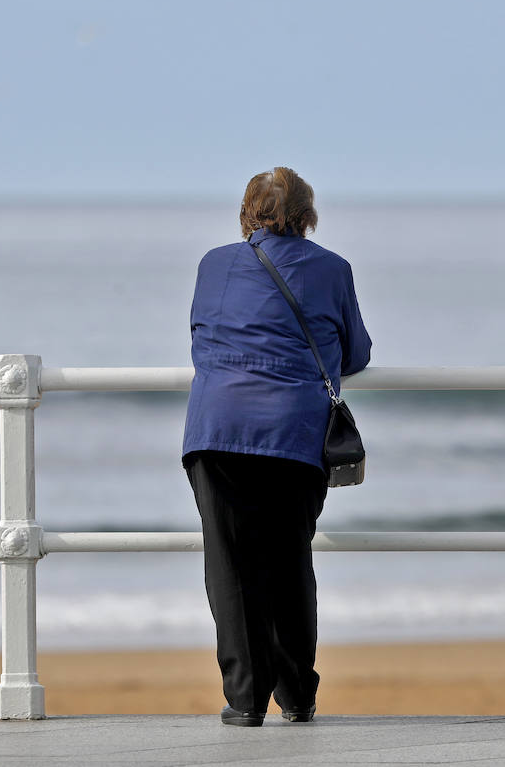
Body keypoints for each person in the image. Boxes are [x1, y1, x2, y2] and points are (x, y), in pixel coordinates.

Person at [181, 167, 372, 727]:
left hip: (216, 431)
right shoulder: (333, 269)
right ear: (308, 215)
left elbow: (200, 336)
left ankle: (244, 699)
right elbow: (354, 353)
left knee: (231, 566)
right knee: (290, 561)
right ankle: (298, 695)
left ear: (245, 213)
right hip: (292, 433)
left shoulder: (214, 264)